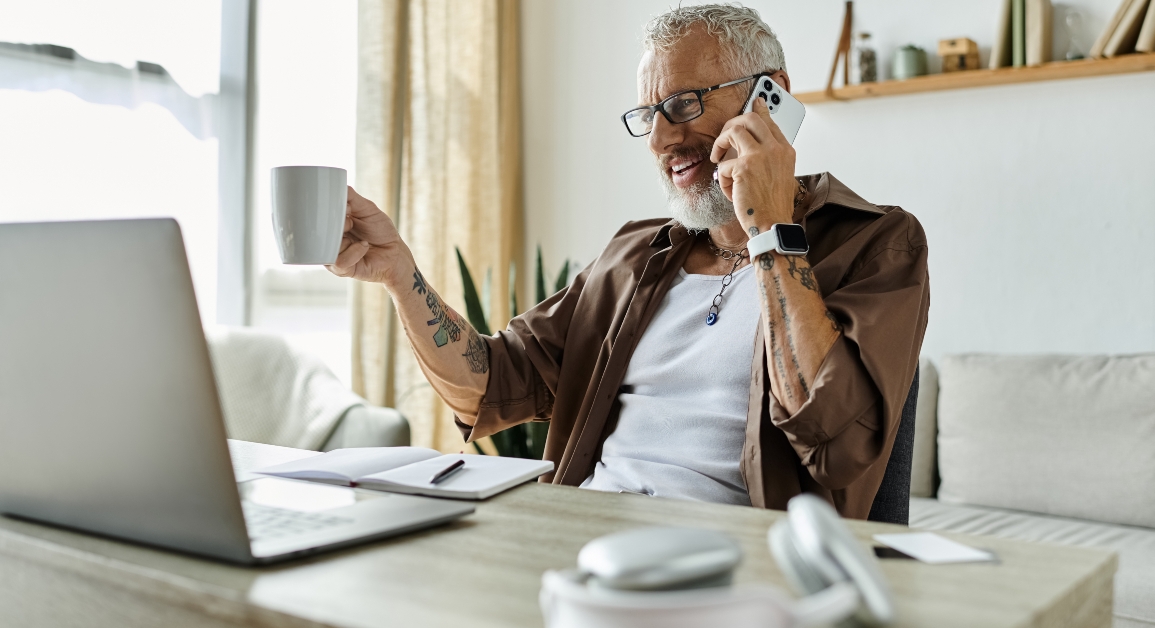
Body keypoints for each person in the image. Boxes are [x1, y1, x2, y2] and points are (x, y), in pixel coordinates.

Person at [329, 4, 929, 518]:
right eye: (649, 116)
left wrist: (770, 228)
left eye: (685, 103)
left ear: (772, 93)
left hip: (736, 566)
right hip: (586, 540)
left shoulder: (878, 242)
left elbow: (836, 440)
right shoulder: (636, 253)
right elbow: (488, 387)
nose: (662, 140)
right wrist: (398, 274)